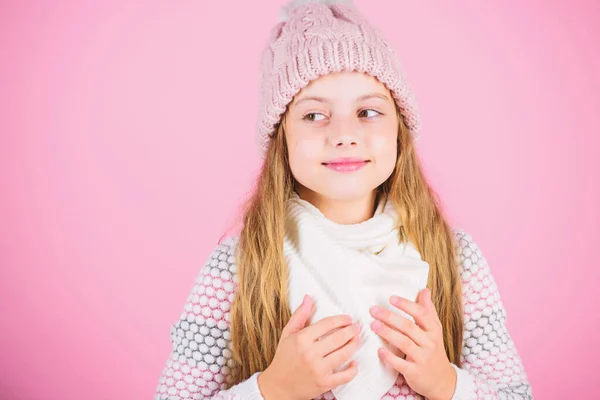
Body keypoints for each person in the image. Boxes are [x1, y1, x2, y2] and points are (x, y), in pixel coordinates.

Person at [154, 1, 534, 399]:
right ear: (280, 139)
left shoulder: (456, 260)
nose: (344, 134)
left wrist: (445, 383)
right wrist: (272, 390)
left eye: (368, 111)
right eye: (315, 116)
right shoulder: (237, 269)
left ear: (400, 131)